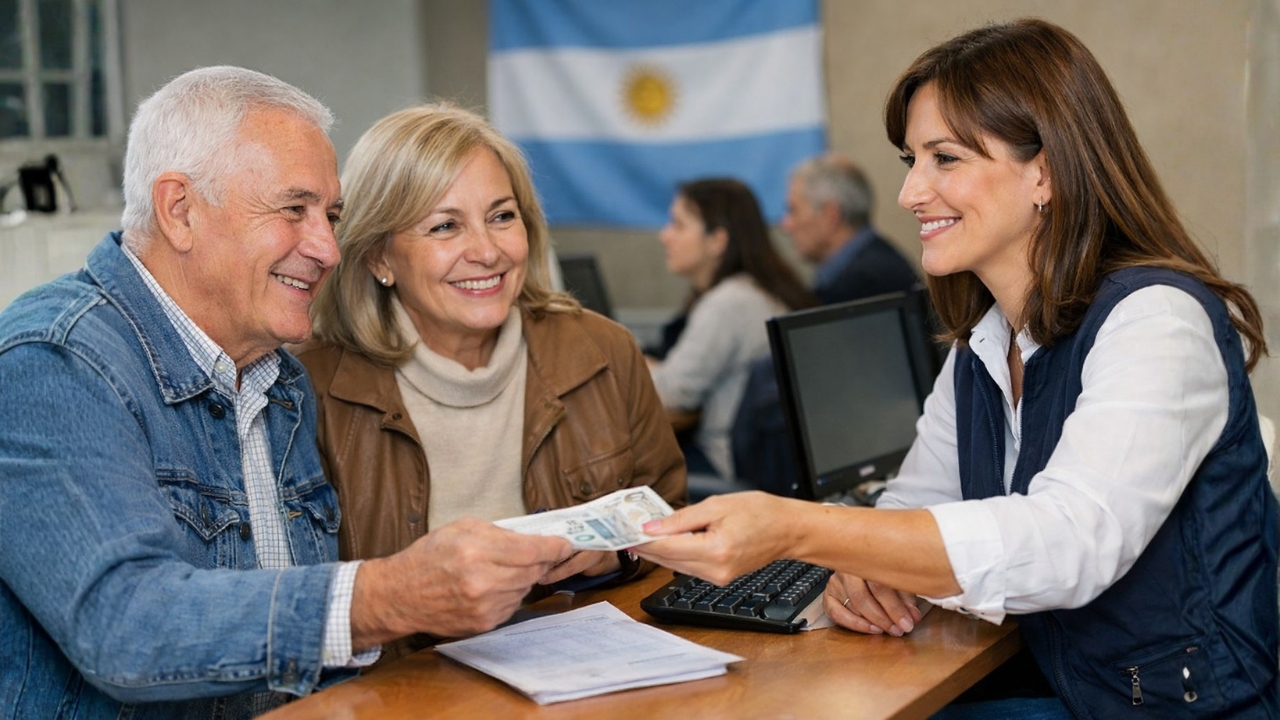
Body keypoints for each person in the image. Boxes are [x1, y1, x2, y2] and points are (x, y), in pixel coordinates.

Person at [636, 18, 1278, 718]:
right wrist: (861, 569)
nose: (912, 194)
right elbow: (914, 507)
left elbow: (1069, 542)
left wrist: (799, 529)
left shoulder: (1156, 319)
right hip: (1076, 686)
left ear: (1047, 171)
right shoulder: (982, 344)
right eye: (911, 161)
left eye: (945, 159)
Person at [0, 67, 573, 719]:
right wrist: (385, 597)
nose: (329, 249)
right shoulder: (53, 359)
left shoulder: (279, 379)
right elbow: (125, 627)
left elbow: (288, 670)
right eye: (293, 210)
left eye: (330, 215)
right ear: (179, 210)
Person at [296, 104, 687, 663]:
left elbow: (671, 517)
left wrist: (616, 554)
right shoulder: (308, 390)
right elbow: (292, 602)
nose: (487, 251)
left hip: (587, 675)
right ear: (379, 256)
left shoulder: (603, 351)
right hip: (405, 694)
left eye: (502, 216)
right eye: (445, 226)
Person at [646, 178, 816, 481]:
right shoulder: (763, 289)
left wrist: (629, 364)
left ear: (717, 241)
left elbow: (673, 393)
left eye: (678, 225)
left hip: (724, 465)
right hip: (765, 464)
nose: (664, 236)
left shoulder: (728, 304)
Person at [781, 152, 918, 304]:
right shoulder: (880, 260)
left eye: (793, 211)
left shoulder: (862, 284)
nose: (786, 224)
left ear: (829, 216)